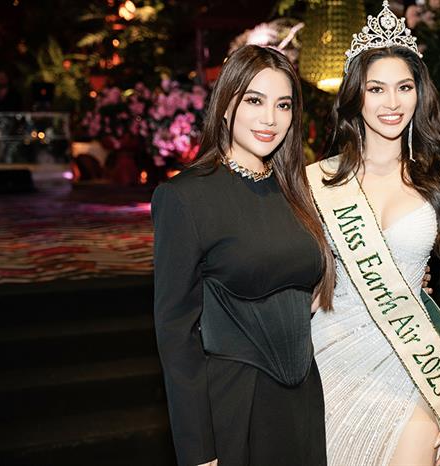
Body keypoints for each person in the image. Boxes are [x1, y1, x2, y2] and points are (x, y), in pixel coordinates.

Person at [307, 2, 440, 465]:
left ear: (419, 93)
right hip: (328, 357)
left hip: (412, 365)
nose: (392, 103)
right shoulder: (314, 181)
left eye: (404, 87)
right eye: (376, 89)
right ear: (356, 96)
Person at [151, 45, 335, 466]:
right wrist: (199, 450)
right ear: (225, 106)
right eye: (254, 100)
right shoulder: (185, 197)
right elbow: (175, 333)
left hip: (301, 400)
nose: (270, 118)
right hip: (232, 404)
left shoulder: (297, 190)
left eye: (283, 105)